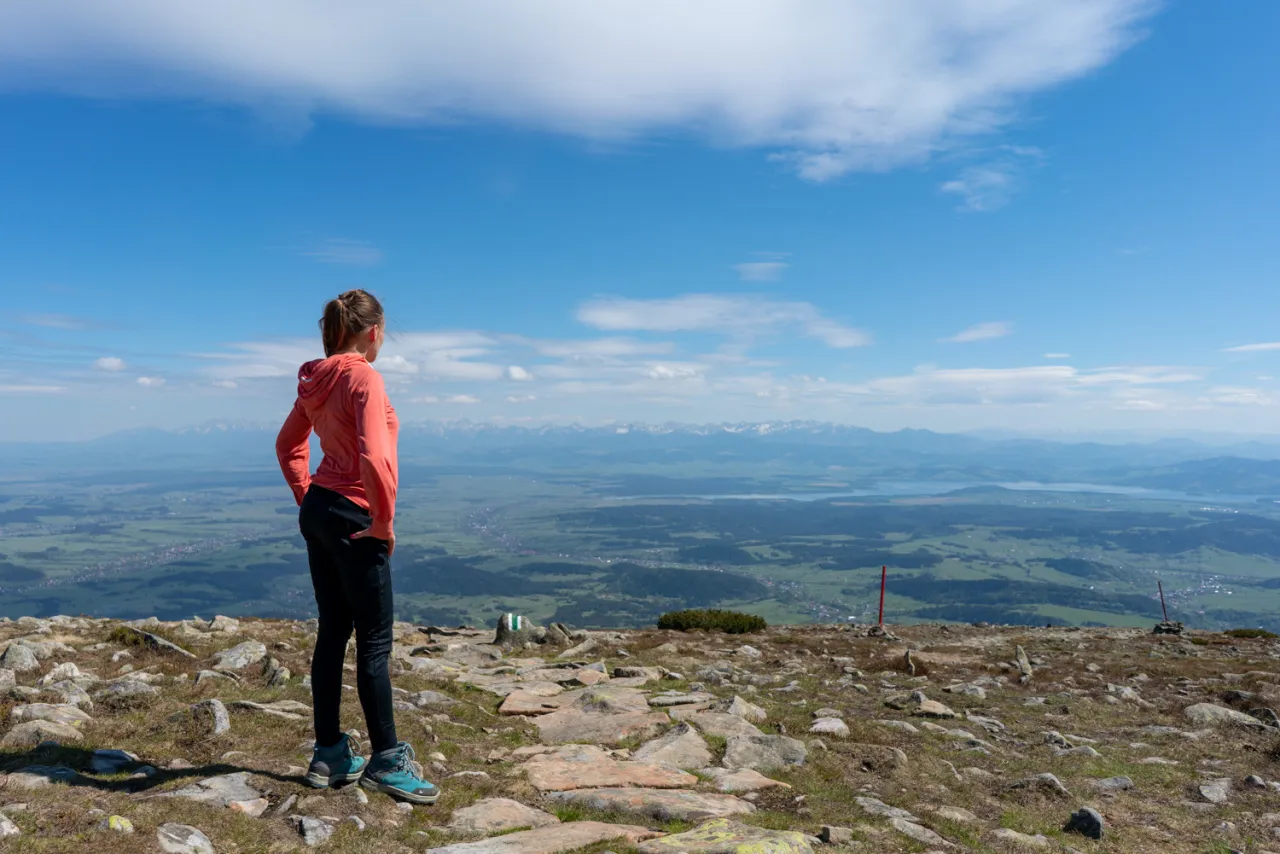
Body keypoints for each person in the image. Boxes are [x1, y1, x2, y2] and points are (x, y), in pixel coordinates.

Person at [275, 289, 439, 805]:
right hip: (353, 512)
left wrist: (309, 499)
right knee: (373, 641)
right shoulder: (363, 375)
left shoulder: (316, 379)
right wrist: (383, 522)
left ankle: (329, 752)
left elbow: (288, 446)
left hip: (321, 507)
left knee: (332, 630)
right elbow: (374, 456)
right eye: (384, 330)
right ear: (373, 331)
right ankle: (387, 761)